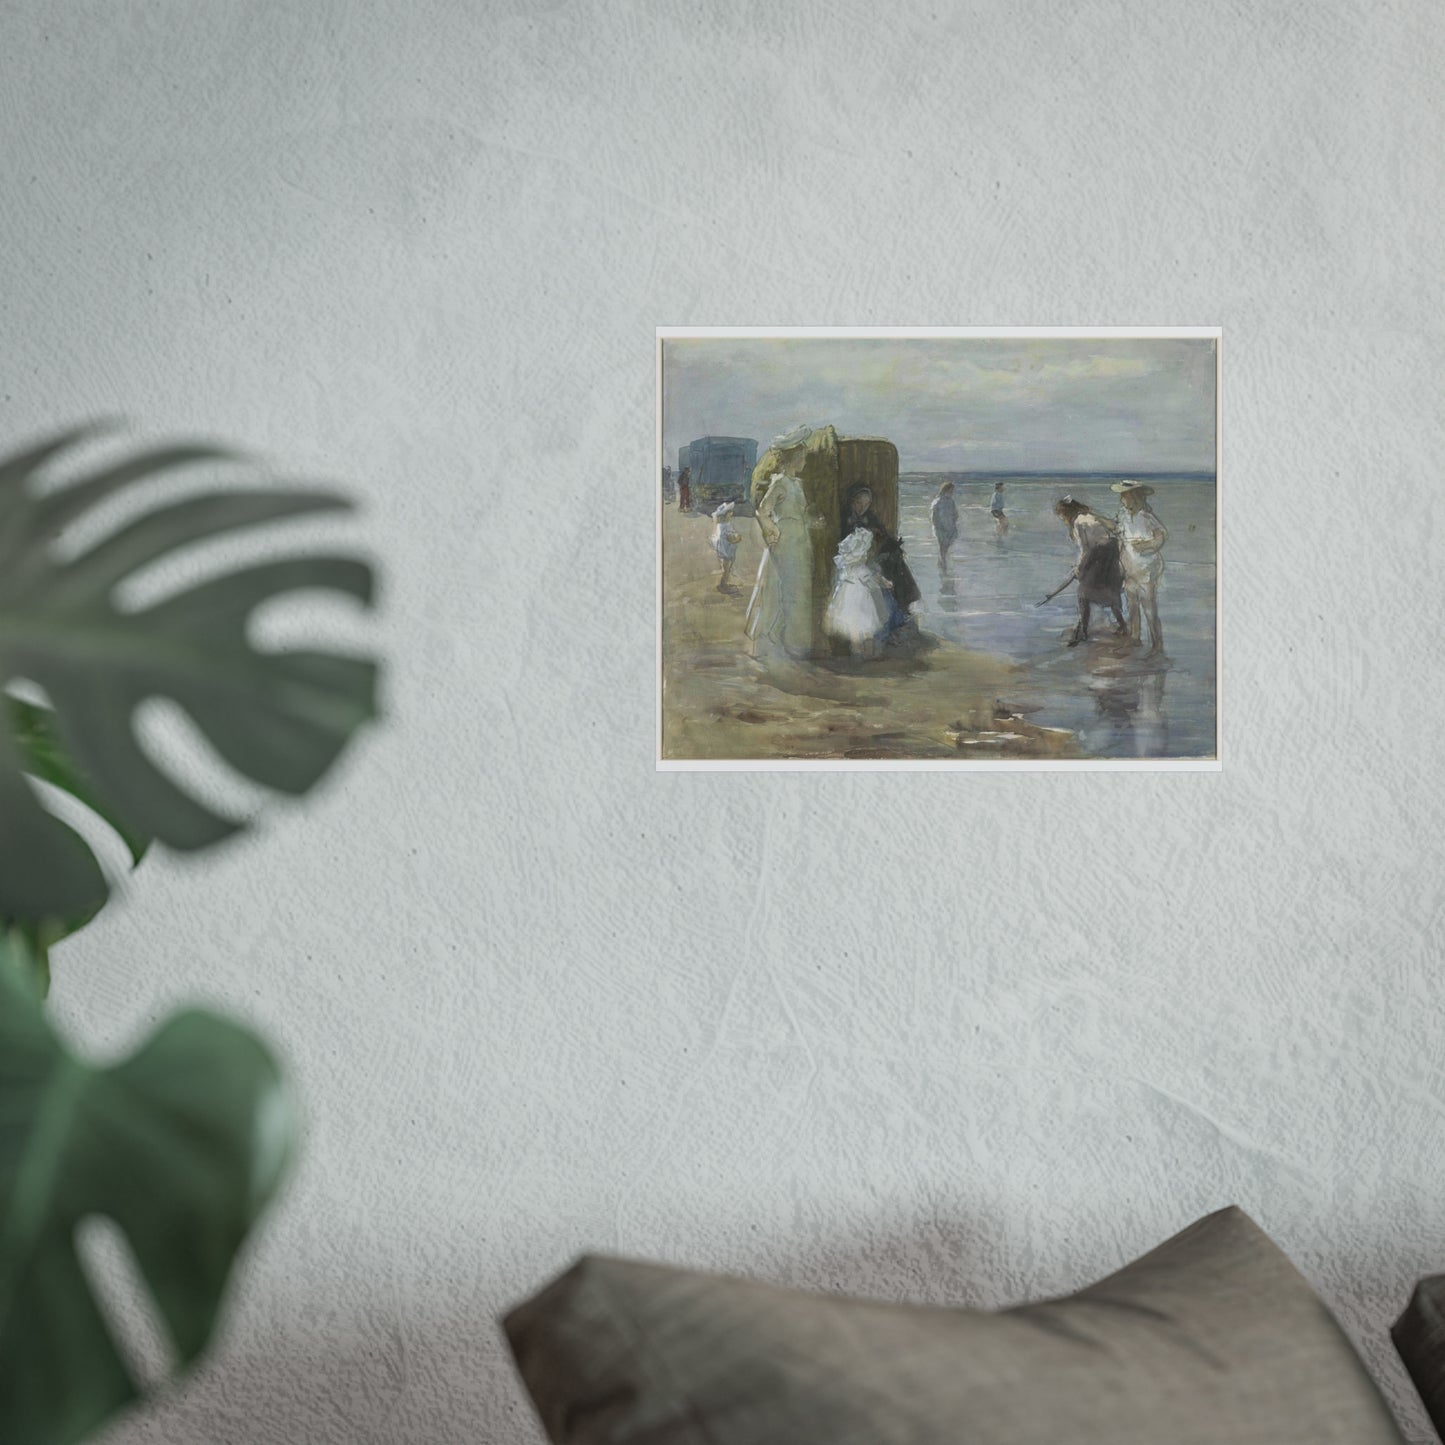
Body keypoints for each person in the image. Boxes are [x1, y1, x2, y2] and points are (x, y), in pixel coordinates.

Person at [746, 471, 818, 658]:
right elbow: (762, 511)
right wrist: (773, 531)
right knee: (780, 587)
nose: (803, 461)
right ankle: (774, 637)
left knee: (798, 590)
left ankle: (793, 639)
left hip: (800, 539)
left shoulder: (798, 483)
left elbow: (801, 513)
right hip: (785, 541)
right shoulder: (780, 483)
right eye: (799, 455)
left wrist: (812, 523)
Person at [1046, 496, 1126, 646]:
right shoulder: (1089, 516)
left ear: (1068, 513)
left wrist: (1079, 568)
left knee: (1084, 593)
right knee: (1110, 592)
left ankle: (1083, 630)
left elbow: (1086, 549)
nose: (1063, 520)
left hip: (1098, 557)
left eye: (1062, 516)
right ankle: (1123, 625)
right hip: (1110, 555)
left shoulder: (1078, 522)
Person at [841, 485, 920, 633]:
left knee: (897, 562)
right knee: (885, 567)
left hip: (874, 553)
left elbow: (883, 534)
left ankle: (906, 601)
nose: (862, 507)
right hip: (859, 557)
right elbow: (848, 545)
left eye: (866, 504)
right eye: (859, 503)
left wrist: (894, 546)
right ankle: (898, 610)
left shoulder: (869, 516)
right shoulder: (847, 517)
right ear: (853, 501)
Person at [1112, 480, 1168, 654]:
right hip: (1129, 566)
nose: (1122, 498)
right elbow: (1119, 534)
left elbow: (1161, 537)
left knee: (1149, 607)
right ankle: (1135, 638)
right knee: (1132, 604)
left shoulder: (1146, 517)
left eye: (1125, 495)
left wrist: (1146, 545)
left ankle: (1157, 644)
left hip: (1146, 567)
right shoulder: (1122, 515)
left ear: (1134, 497)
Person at [823, 525, 890, 657]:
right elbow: (873, 581)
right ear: (862, 555)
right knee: (867, 628)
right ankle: (867, 653)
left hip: (848, 601)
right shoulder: (862, 571)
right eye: (866, 553)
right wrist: (885, 583)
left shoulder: (847, 571)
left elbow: (839, 586)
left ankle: (857, 650)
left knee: (853, 627)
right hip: (861, 603)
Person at [709, 502, 742, 592]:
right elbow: (730, 538)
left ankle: (724, 584)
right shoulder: (725, 526)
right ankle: (723, 586)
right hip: (725, 551)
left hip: (725, 550)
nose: (731, 514)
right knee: (726, 570)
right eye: (729, 512)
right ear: (725, 515)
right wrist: (737, 538)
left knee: (726, 569)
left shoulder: (722, 525)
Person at [930, 480, 959, 564]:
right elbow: (934, 515)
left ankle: (942, 558)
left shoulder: (951, 501)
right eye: (950, 491)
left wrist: (954, 520)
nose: (951, 492)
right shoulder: (938, 501)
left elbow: (955, 513)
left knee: (946, 545)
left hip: (950, 526)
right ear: (945, 490)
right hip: (940, 527)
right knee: (942, 544)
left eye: (952, 491)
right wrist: (936, 525)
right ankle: (942, 560)